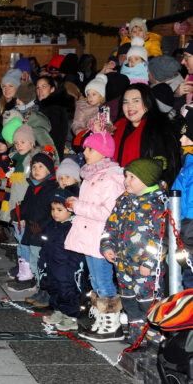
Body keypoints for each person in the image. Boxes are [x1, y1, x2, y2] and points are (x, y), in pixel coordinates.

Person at [63, 131, 126, 342]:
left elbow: (108, 212)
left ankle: (112, 324)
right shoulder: (92, 175)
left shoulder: (110, 178)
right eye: (85, 149)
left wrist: (78, 206)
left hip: (101, 238)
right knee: (95, 281)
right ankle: (101, 318)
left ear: (103, 152)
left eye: (90, 149)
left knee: (104, 281)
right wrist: (76, 204)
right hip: (90, 237)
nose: (85, 153)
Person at [100, 158, 167, 346]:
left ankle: (154, 335)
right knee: (129, 300)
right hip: (123, 263)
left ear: (146, 180)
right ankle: (137, 334)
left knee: (148, 301)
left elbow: (160, 237)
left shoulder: (157, 203)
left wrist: (149, 262)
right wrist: (107, 246)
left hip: (145, 268)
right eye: (126, 176)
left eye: (132, 177)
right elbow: (111, 225)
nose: (126, 181)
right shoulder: (124, 200)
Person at [8, 148, 59, 293]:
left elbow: (51, 212)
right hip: (30, 227)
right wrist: (18, 213)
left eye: (41, 167)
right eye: (34, 167)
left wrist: (42, 226)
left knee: (38, 257)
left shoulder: (51, 188)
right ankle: (29, 278)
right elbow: (27, 204)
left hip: (41, 230)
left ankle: (41, 285)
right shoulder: (32, 186)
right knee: (28, 252)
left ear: (49, 170)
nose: (36, 170)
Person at [111, 84, 181, 186]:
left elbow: (167, 168)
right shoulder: (117, 127)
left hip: (148, 189)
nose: (130, 106)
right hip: (116, 186)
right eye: (125, 102)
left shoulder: (160, 128)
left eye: (136, 101)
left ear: (148, 102)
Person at [0, 123, 40, 285]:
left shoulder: (32, 161)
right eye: (16, 143)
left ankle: (29, 269)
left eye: (23, 142)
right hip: (15, 206)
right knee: (19, 238)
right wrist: (1, 183)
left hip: (25, 208)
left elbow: (32, 186)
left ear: (31, 142)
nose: (19, 146)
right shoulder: (15, 160)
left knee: (25, 241)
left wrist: (26, 211)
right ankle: (22, 265)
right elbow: (13, 183)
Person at [40, 189, 85, 332]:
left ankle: (71, 317)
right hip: (53, 265)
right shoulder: (52, 226)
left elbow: (77, 251)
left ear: (70, 211)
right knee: (54, 288)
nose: (55, 213)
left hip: (67, 268)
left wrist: (74, 268)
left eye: (59, 210)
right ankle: (58, 311)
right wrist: (43, 261)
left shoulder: (73, 227)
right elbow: (46, 245)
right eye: (53, 209)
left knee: (68, 292)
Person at [175, 108, 193, 289]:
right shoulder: (188, 164)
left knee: (189, 281)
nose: (181, 140)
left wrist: (186, 240)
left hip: (189, 234)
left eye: (186, 136)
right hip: (184, 231)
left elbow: (191, 207)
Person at [35, 76, 74, 160]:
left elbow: (54, 138)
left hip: (50, 157)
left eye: (44, 87)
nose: (40, 91)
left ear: (52, 89)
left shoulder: (53, 109)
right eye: (38, 88)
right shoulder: (45, 107)